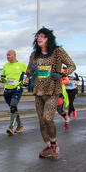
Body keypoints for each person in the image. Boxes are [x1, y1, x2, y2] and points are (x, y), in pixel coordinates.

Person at [26, 27, 76, 159]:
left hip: (53, 90)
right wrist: (32, 69)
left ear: (49, 38)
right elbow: (28, 72)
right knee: (41, 121)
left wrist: (61, 73)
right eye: (38, 36)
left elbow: (72, 65)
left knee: (48, 118)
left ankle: (54, 145)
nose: (39, 38)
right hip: (38, 91)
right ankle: (48, 146)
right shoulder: (34, 55)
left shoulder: (58, 52)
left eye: (43, 36)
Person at [1, 49, 27, 135]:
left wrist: (26, 80)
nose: (7, 57)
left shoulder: (22, 65)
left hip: (17, 89)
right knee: (14, 109)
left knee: (13, 108)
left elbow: (30, 74)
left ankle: (11, 128)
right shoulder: (6, 65)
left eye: (9, 55)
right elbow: (2, 77)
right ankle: (20, 125)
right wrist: (3, 79)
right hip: (7, 91)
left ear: (14, 55)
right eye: (6, 55)